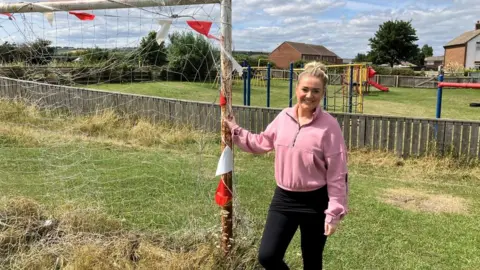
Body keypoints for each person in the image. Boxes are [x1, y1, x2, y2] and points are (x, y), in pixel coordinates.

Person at [224, 61, 348, 270]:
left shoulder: (329, 126)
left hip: (316, 201)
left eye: (316, 91)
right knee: (268, 256)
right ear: (297, 89)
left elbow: (337, 173)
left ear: (323, 93)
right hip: (284, 198)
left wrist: (334, 211)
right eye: (305, 89)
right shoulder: (284, 117)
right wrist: (236, 130)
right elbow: (261, 142)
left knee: (312, 261)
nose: (309, 95)